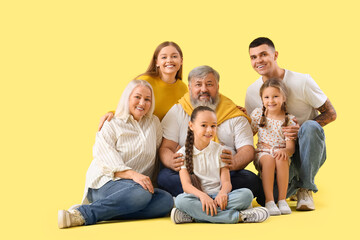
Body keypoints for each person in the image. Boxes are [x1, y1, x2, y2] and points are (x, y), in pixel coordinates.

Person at [58, 80, 173, 229]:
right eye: (137, 97)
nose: (142, 103)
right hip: (105, 182)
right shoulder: (112, 123)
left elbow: (156, 157)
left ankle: (103, 210)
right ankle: (82, 214)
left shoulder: (154, 123)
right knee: (141, 194)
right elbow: (105, 159)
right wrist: (133, 175)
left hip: (135, 188)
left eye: (147, 99)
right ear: (127, 98)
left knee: (165, 201)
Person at [245, 37, 337, 210]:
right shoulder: (252, 91)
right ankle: (293, 184)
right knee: (265, 198)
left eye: (263, 54)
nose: (258, 60)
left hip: (306, 150)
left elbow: (331, 113)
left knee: (310, 127)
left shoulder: (302, 81)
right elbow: (253, 129)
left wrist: (299, 131)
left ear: (275, 55)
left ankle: (305, 188)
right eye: (253, 57)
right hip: (275, 154)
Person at [159, 65, 262, 203]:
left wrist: (234, 162)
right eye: (198, 84)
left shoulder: (234, 114)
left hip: (223, 174)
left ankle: (192, 202)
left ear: (217, 87)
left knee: (251, 180)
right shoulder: (178, 110)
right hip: (190, 175)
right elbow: (166, 148)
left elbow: (248, 149)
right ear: (190, 88)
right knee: (164, 177)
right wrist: (172, 161)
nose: (204, 89)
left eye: (209, 84)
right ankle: (217, 202)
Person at [171, 106, 269, 224]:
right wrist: (203, 197)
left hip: (220, 199)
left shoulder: (221, 150)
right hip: (199, 198)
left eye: (213, 126)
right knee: (181, 201)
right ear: (191, 126)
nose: (209, 130)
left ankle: (194, 216)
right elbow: (186, 186)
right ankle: (239, 217)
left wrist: (222, 193)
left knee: (246, 195)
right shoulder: (182, 153)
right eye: (204, 125)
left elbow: (226, 182)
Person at [98, 41, 188, 130]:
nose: (169, 60)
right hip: (140, 134)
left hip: (165, 139)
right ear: (157, 62)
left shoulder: (183, 88)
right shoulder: (144, 82)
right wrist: (112, 113)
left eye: (174, 56)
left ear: (181, 61)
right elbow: (127, 103)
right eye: (164, 57)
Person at [250, 79, 296, 215]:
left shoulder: (289, 120)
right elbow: (248, 134)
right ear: (262, 99)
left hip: (280, 153)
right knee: (269, 159)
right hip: (263, 153)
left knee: (281, 158)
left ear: (284, 98)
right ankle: (269, 201)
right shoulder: (258, 115)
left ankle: (282, 200)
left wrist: (285, 151)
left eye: (275, 96)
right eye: (267, 97)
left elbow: (290, 148)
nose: (271, 100)